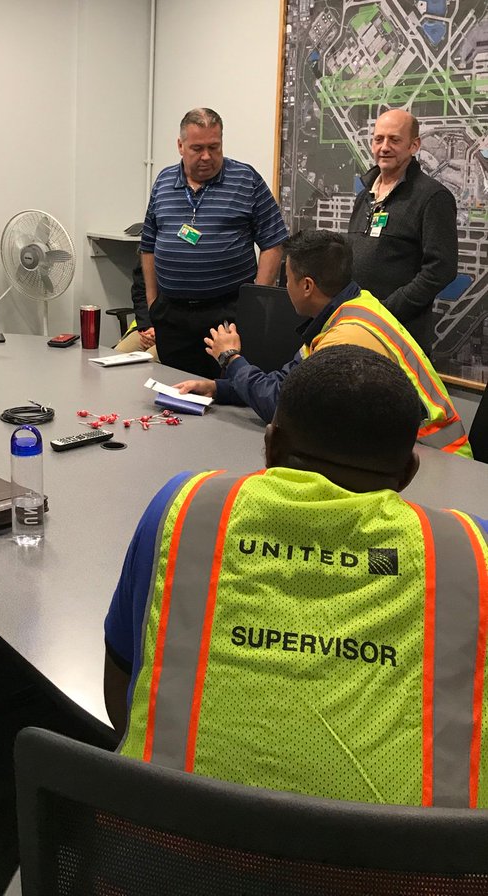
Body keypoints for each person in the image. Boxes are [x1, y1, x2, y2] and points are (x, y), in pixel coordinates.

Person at [105, 346, 488, 805]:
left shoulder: (184, 510)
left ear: (270, 445)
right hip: (408, 874)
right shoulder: (471, 552)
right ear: (408, 473)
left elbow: (120, 698)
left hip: (166, 861)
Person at [176, 229, 470, 457]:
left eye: (287, 279)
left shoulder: (347, 337)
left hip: (433, 459)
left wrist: (230, 358)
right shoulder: (352, 307)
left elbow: (283, 407)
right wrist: (219, 388)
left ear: (307, 286)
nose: (284, 286)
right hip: (401, 451)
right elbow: (288, 383)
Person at [140, 108, 287, 379]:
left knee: (227, 395)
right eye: (197, 148)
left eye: (214, 147)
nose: (206, 156)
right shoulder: (162, 182)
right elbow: (148, 245)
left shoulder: (246, 179)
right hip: (173, 316)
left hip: (226, 317)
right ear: (180, 146)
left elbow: (274, 242)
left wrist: (254, 305)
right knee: (176, 391)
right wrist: (152, 305)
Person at [348, 109, 458, 355]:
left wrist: (386, 310)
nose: (384, 147)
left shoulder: (433, 197)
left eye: (394, 140)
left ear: (414, 145)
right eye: (379, 139)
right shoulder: (364, 197)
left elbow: (441, 269)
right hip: (358, 329)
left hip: (401, 336)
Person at [112, 257, 158, 358]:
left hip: (176, 330)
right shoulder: (151, 250)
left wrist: (161, 330)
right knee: (117, 354)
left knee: (150, 360)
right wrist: (148, 327)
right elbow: (140, 294)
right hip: (148, 327)